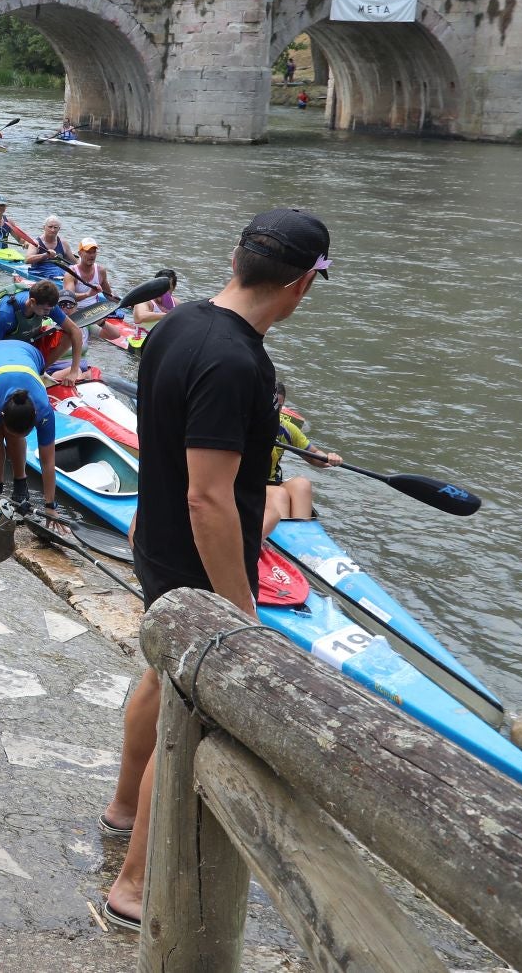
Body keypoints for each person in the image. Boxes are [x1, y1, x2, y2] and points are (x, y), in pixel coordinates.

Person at [101, 208, 331, 932]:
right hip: (199, 565)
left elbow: (154, 433)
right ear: (300, 285)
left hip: (157, 542)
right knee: (192, 716)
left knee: (156, 677)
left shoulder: (175, 324)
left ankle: (121, 810)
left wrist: (143, 507)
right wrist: (241, 611)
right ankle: (135, 885)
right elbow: (209, 496)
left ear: (237, 258)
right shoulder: (238, 362)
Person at [0, 338, 59, 516]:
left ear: (35, 416)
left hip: (31, 355)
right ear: (2, 414)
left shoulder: (44, 410)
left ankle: (20, 481)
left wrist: (50, 506)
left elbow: (48, 461)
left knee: (14, 436)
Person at [263, 380, 342, 539]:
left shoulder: (286, 428)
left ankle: (305, 538)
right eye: (271, 406)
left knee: (302, 484)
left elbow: (314, 456)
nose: (275, 411)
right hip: (249, 486)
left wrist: (329, 459)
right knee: (279, 494)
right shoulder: (244, 424)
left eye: (279, 407)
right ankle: (282, 544)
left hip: (273, 482)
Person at [0, 278, 84, 382]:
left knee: (68, 335)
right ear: (32, 302)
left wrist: (74, 371)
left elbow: (76, 331)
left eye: (50, 310)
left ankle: (39, 371)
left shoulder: (48, 305)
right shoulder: (6, 314)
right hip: (4, 343)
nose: (48, 313)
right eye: (45, 310)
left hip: (28, 337)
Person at [65, 238, 115, 305]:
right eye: (88, 252)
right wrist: (87, 294)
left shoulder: (101, 271)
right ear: (80, 253)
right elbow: (69, 298)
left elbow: (109, 295)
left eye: (94, 252)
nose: (91, 255)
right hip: (74, 309)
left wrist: (128, 304)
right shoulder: (71, 273)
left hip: (93, 310)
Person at [24, 215, 73, 281]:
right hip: (39, 270)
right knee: (58, 271)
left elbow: (74, 262)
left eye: (55, 227)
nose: (52, 230)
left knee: (72, 270)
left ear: (59, 229)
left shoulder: (64, 243)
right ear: (44, 227)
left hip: (58, 270)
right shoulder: (36, 243)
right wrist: (45, 255)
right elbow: (27, 260)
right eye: (50, 227)